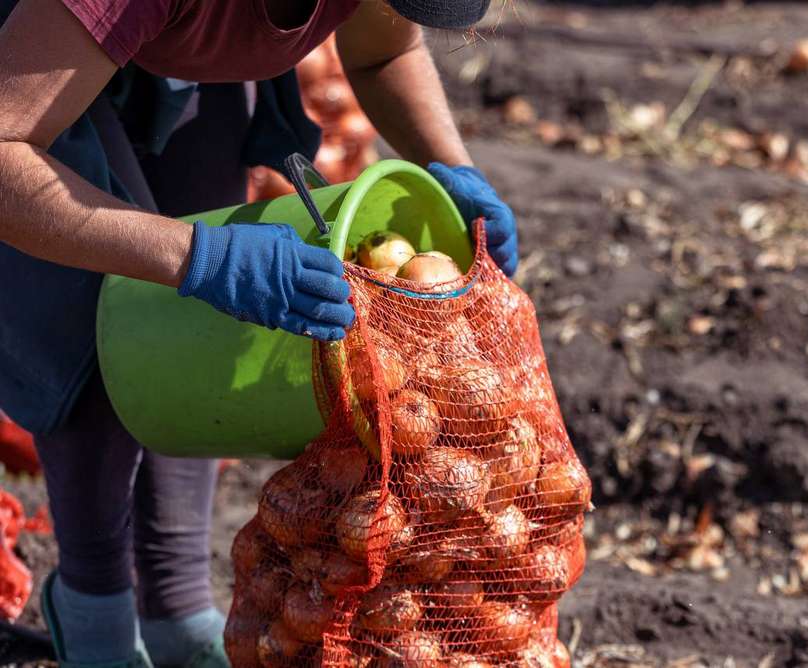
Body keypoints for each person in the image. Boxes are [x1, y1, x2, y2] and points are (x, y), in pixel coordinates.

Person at [0, 0, 518, 665]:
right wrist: (195, 256)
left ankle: (176, 607)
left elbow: (383, 51)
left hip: (177, 47)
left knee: (202, 324)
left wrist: (454, 167)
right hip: (27, 58)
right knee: (100, 310)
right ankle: (94, 607)